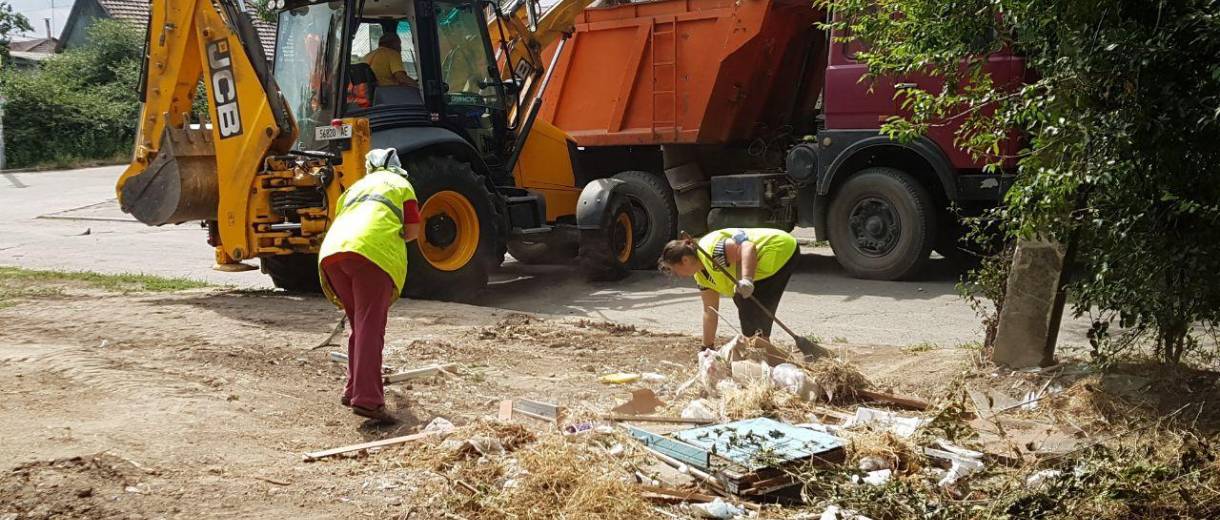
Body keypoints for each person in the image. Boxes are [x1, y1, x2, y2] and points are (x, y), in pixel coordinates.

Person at [318, 149, 421, 423]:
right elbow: (413, 231)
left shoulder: (354, 188)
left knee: (359, 325)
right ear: (396, 166)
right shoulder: (401, 185)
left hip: (332, 254)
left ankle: (352, 388)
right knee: (371, 327)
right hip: (370, 255)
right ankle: (368, 401)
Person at [658, 228, 799, 351]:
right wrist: (707, 348)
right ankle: (764, 352)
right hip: (762, 266)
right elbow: (710, 311)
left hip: (779, 248)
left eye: (674, 270)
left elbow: (747, 247)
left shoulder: (712, 252)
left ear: (685, 260)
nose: (677, 275)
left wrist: (747, 279)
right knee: (746, 306)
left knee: (748, 307)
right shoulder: (702, 276)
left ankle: (765, 355)